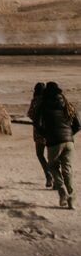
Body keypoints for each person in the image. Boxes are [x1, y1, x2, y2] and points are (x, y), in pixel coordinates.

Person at [36, 80, 79, 210]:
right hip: (69, 141)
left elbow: (37, 123)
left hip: (53, 142)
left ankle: (62, 193)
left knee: (53, 167)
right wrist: (70, 134)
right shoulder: (67, 104)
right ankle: (72, 200)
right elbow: (78, 124)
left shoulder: (43, 105)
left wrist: (46, 134)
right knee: (68, 170)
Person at [28, 82, 55, 189]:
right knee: (52, 156)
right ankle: (55, 178)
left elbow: (30, 114)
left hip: (39, 132)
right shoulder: (49, 100)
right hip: (51, 131)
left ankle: (49, 176)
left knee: (40, 154)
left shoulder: (35, 101)